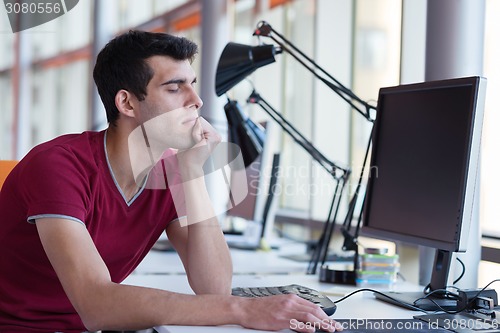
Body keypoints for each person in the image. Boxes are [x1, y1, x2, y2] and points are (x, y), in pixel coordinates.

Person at [0, 30, 341, 333]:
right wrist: (245, 308)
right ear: (127, 102)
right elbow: (96, 303)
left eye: (192, 84)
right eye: (175, 88)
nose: (197, 101)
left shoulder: (169, 172)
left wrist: (191, 172)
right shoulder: (58, 166)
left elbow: (214, 288)